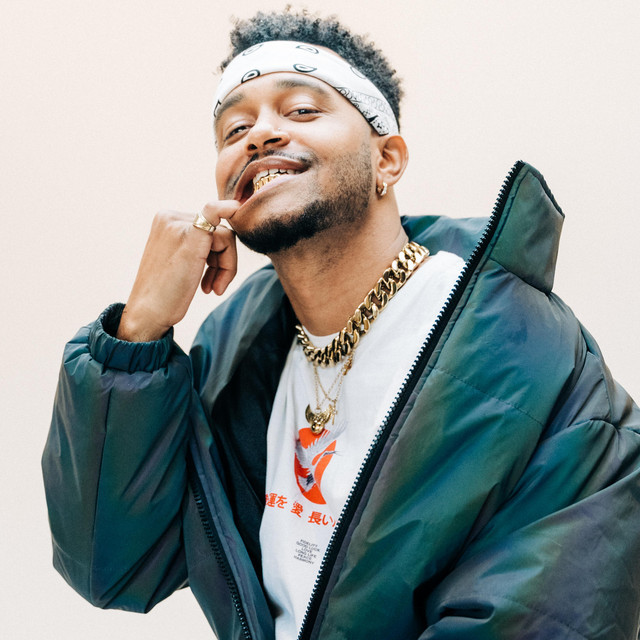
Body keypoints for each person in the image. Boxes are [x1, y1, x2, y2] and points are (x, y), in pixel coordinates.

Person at [42, 8, 640, 640]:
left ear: (388, 160)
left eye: (302, 110)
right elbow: (114, 567)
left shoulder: (530, 352)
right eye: (234, 129)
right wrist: (137, 335)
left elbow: (550, 617)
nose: (259, 134)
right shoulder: (234, 353)